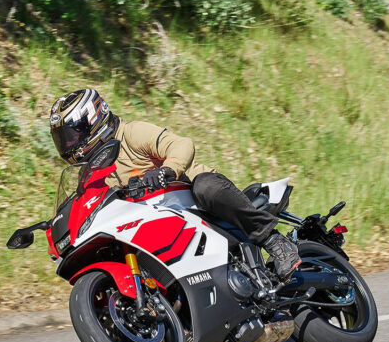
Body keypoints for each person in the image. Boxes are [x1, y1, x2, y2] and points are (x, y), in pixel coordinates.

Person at [48, 89, 302, 280]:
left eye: (74, 136)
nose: (70, 145)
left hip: (190, 194)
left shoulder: (131, 133)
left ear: (94, 118)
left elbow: (182, 144)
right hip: (155, 219)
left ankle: (274, 241)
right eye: (64, 139)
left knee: (206, 187)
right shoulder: (94, 170)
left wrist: (168, 169)